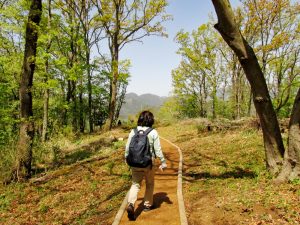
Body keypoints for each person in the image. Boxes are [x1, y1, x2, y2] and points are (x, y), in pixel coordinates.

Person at [124, 110, 167, 220]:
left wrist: (126, 159)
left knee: (135, 184)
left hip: (134, 162)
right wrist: (163, 162)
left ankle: (131, 204)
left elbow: (128, 147)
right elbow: (158, 150)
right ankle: (147, 205)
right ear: (151, 120)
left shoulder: (133, 131)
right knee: (149, 183)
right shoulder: (153, 132)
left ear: (140, 119)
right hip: (148, 163)